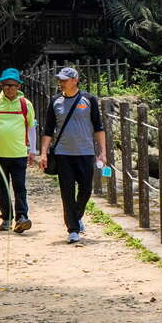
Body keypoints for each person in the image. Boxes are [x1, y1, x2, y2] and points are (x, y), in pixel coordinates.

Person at [38, 66, 107, 244]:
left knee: (86, 190)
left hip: (86, 152)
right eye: (59, 80)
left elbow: (98, 127)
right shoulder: (55, 101)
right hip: (63, 154)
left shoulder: (89, 99)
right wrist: (43, 153)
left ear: (75, 80)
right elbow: (48, 130)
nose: (60, 83)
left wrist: (103, 152)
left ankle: (76, 217)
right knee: (67, 192)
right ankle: (73, 229)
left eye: (64, 80)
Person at [0, 68, 36, 233]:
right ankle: (6, 218)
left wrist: (33, 151)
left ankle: (22, 217)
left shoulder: (26, 104)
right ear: (1, 85)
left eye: (12, 85)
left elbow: (31, 127)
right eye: (6, 85)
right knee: (1, 188)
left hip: (19, 153)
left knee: (20, 187)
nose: (9, 88)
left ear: (19, 86)